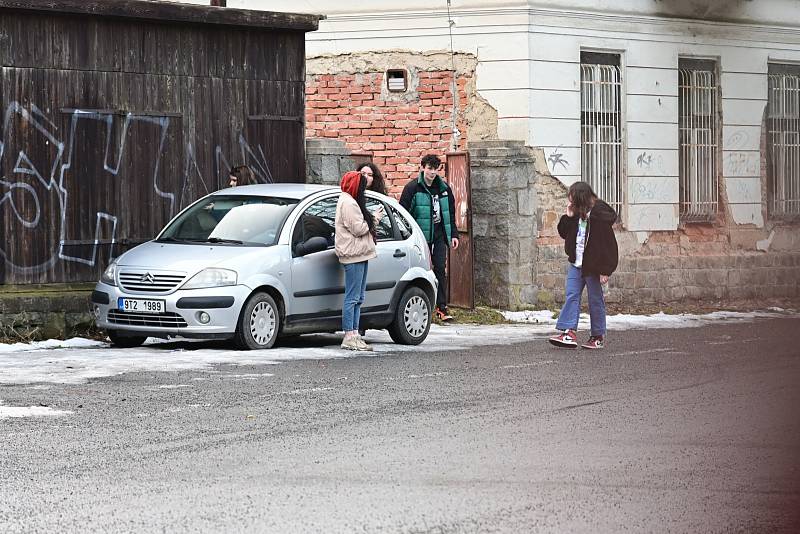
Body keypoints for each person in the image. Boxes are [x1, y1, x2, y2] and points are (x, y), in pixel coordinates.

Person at [549, 181, 618, 350]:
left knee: (595, 300)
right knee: (571, 295)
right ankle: (569, 332)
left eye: (572, 198)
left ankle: (597, 336)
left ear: (581, 198)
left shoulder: (599, 216)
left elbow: (608, 245)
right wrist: (568, 216)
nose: (569, 201)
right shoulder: (576, 214)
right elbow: (564, 233)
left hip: (594, 266)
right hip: (576, 263)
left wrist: (605, 270)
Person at [399, 154, 459, 321]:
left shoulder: (444, 189)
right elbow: (403, 213)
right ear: (422, 168)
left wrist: (453, 234)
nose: (432, 172)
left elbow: (450, 214)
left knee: (440, 268)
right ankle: (421, 306)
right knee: (421, 270)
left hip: (439, 235)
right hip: (420, 236)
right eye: (429, 168)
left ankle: (442, 308)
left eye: (435, 169)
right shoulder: (412, 188)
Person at [335, 171, 385, 351]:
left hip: (360, 253)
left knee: (359, 297)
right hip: (353, 254)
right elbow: (358, 228)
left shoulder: (349, 200)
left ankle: (355, 333)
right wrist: (375, 219)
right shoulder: (348, 202)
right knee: (352, 297)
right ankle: (349, 335)